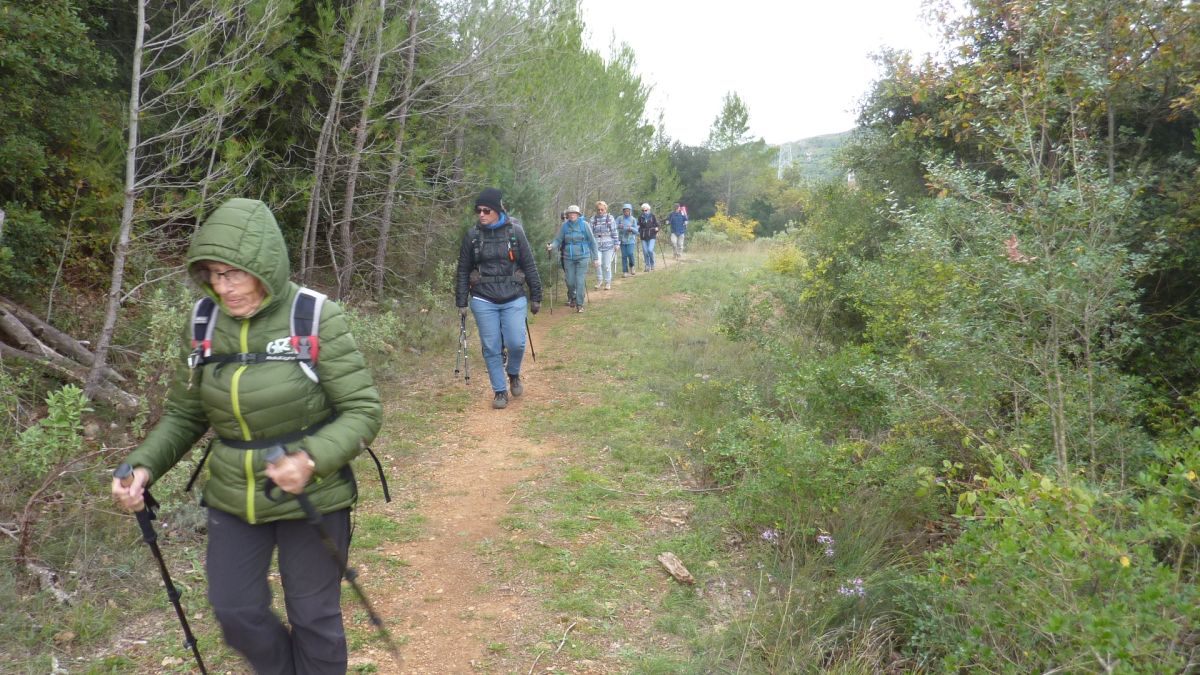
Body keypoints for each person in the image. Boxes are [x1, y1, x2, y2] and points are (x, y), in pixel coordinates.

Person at [111, 197, 383, 674]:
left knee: (314, 616)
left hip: (312, 492)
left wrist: (310, 459)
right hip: (233, 494)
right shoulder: (203, 323)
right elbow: (185, 414)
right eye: (214, 275)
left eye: (234, 273)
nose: (223, 286)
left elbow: (362, 411)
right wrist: (143, 466)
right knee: (236, 612)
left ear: (264, 267)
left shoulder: (315, 316)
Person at [455, 188, 543, 410]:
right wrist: (461, 301)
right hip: (483, 298)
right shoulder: (472, 236)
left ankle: (513, 373)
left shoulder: (515, 232)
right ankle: (499, 391)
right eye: (479, 211)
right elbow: (463, 270)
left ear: (497, 210)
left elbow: (529, 265)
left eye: (486, 210)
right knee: (491, 346)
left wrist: (536, 296)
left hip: (513, 295)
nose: (481, 215)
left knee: (516, 342)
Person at [547, 205, 598, 313]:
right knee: (570, 281)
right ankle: (573, 297)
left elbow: (592, 242)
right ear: (567, 215)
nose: (572, 215)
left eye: (574, 213)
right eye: (570, 213)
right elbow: (558, 240)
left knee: (579, 281)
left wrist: (596, 258)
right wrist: (552, 246)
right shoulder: (564, 226)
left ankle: (580, 304)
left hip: (583, 256)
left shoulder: (585, 225)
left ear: (578, 215)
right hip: (568, 257)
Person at [590, 200, 619, 290]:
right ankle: (599, 280)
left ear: (605, 209)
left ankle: (607, 282)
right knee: (597, 263)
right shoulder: (593, 219)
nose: (600, 211)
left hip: (608, 245)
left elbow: (614, 231)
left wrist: (616, 243)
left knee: (606, 265)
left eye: (602, 209)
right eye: (598, 210)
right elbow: (590, 233)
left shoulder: (610, 218)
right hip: (596, 245)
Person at [616, 203, 639, 277]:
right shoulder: (619, 218)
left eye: (627, 211)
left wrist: (631, 228)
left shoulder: (633, 219)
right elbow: (614, 227)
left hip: (631, 240)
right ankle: (625, 271)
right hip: (622, 240)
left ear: (630, 211)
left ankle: (632, 266)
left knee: (630, 253)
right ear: (623, 211)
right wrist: (619, 226)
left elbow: (637, 231)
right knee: (624, 256)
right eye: (625, 211)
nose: (626, 212)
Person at [637, 203, 660, 271]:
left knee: (650, 250)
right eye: (643, 210)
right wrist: (638, 231)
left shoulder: (653, 216)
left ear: (649, 210)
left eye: (646, 210)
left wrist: (657, 228)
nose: (644, 212)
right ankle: (647, 265)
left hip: (652, 235)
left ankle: (652, 263)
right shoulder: (640, 217)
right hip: (643, 236)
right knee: (645, 251)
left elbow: (657, 225)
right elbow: (638, 226)